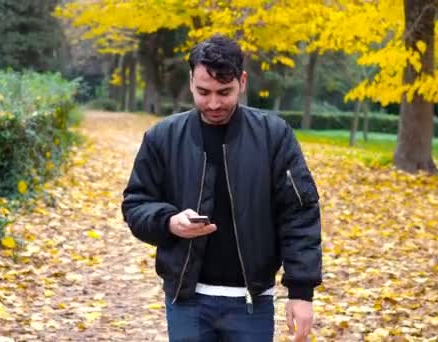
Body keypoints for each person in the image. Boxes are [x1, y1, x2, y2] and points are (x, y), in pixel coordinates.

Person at [121, 35, 322, 342]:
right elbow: (136, 205)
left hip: (253, 302)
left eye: (224, 92)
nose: (213, 103)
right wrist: (169, 222)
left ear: (242, 81)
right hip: (186, 300)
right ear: (190, 81)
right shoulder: (161, 137)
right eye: (203, 92)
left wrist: (301, 292)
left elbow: (300, 214)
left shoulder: (274, 136)